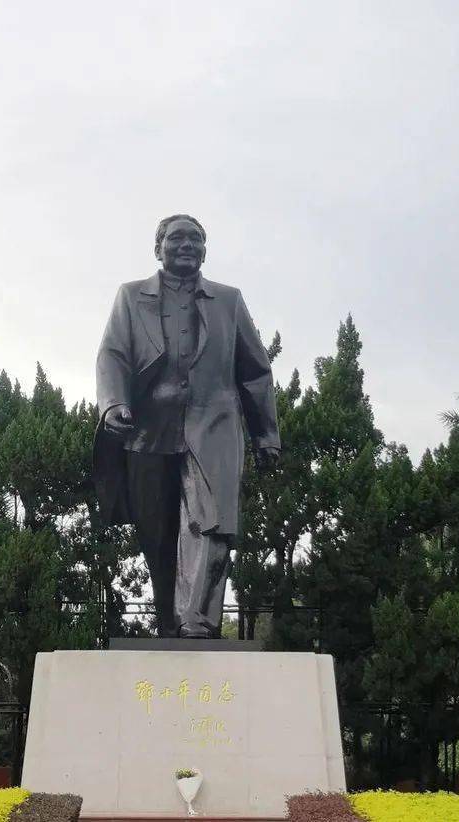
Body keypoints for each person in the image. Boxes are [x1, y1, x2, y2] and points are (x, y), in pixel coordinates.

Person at [94, 214, 280, 638]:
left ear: (205, 250)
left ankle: (197, 620)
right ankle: (169, 621)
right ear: (158, 247)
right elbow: (113, 355)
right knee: (156, 532)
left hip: (212, 425)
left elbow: (255, 371)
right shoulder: (130, 296)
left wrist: (266, 434)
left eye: (195, 239)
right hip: (147, 429)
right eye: (177, 238)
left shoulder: (229, 301)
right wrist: (114, 404)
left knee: (209, 521)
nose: (186, 245)